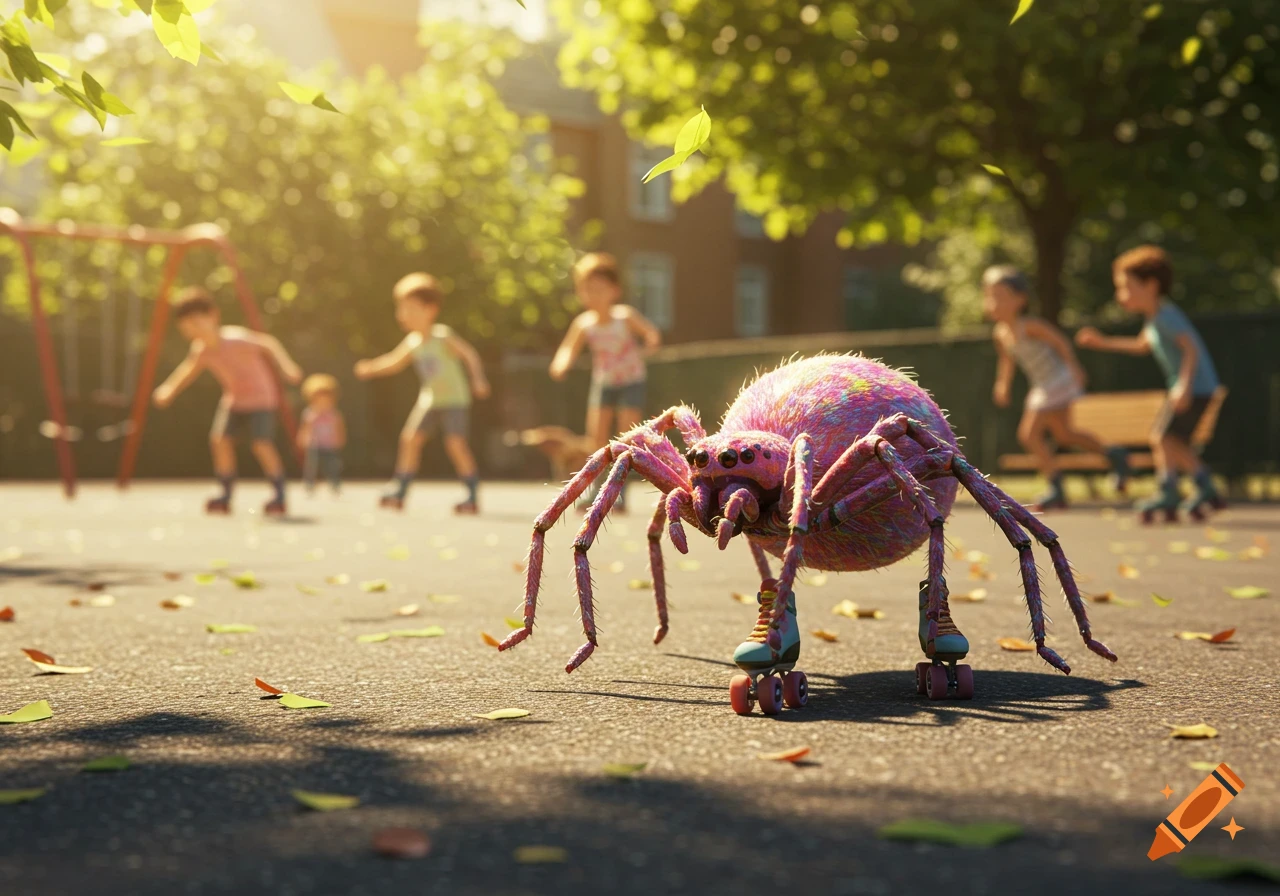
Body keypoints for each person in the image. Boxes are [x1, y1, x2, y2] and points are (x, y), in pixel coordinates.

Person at [1075, 245, 1223, 519]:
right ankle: (1199, 487)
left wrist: (1184, 385)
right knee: (1171, 440)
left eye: (1126, 287)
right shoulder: (1155, 318)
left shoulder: (1166, 316)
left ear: (1151, 286)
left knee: (1162, 438)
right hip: (1196, 387)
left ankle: (1177, 490)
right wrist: (1102, 342)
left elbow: (1190, 349)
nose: (1121, 295)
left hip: (1196, 387)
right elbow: (1142, 346)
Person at [982, 265, 1128, 511]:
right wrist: (1003, 384)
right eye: (989, 295)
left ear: (1020, 300)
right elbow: (1007, 361)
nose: (993, 302)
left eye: (1001, 296)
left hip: (1058, 382)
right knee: (1064, 435)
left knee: (1029, 435)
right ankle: (1114, 454)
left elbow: (1060, 343)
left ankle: (1056, 486)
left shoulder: (1030, 325)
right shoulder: (1001, 333)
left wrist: (1075, 368)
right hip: (1042, 386)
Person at [152, 287, 302, 515]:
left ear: (213, 316)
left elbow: (268, 343)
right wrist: (169, 390)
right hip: (235, 400)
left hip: (261, 398)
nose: (193, 328)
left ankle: (279, 494)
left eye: (197, 321)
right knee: (219, 440)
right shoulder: (201, 350)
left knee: (261, 443)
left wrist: (287, 366)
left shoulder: (235, 339)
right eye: (187, 325)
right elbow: (187, 371)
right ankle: (225, 493)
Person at [354, 272, 490, 513]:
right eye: (401, 308)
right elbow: (394, 362)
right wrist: (371, 368)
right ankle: (400, 488)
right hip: (430, 400)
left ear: (430, 310)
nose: (403, 314)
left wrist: (478, 379)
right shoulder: (413, 341)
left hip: (454, 399)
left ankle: (471, 493)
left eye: (410, 308)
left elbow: (469, 355)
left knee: (455, 443)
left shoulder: (442, 336)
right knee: (410, 439)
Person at [549, 252, 661, 511]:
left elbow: (649, 331)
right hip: (604, 383)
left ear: (615, 290)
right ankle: (596, 490)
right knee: (596, 439)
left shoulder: (625, 317)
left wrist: (651, 341)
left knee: (625, 438)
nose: (594, 295)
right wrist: (561, 363)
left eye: (600, 289)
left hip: (631, 382)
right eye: (588, 289)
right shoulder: (584, 324)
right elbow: (568, 348)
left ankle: (618, 491)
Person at [297, 373, 346, 495]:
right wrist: (302, 439)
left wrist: (340, 439)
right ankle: (309, 485)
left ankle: (335, 484)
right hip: (314, 445)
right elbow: (305, 428)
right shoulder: (309, 413)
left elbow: (340, 428)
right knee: (311, 466)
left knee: (332, 465)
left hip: (330, 445)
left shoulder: (334, 414)